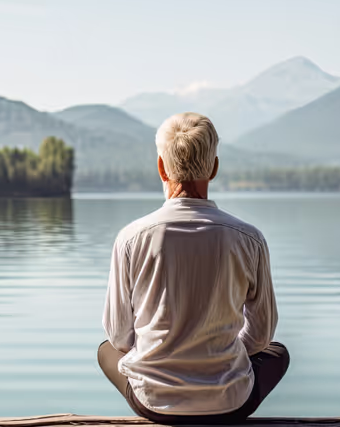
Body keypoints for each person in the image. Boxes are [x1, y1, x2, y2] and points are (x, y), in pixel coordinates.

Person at [97, 112, 288, 424]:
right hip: (231, 402)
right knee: (278, 353)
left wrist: (156, 353)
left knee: (105, 350)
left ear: (161, 167)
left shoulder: (130, 238)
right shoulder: (249, 238)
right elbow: (261, 336)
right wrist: (221, 356)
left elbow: (119, 337)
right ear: (213, 168)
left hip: (154, 403)